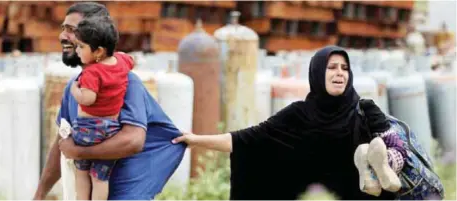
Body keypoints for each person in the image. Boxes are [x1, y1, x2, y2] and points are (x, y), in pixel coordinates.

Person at [172, 46, 409, 200]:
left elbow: (397, 143)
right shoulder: (298, 115)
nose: (340, 73)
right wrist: (196, 139)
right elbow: (246, 140)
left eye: (345, 68)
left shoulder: (365, 109)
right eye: (332, 67)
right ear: (317, 72)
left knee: (390, 148)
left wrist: (389, 156)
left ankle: (379, 168)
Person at [33, 2, 186, 200]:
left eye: (72, 30)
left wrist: (79, 152)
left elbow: (133, 140)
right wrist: (39, 195)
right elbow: (62, 142)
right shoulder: (74, 86)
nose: (63, 36)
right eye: (63, 29)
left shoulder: (126, 82)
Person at [69, 16, 133, 200]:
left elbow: (88, 99)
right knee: (99, 178)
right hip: (111, 131)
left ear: (98, 52)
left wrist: (75, 90)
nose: (77, 50)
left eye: (81, 46)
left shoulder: (92, 72)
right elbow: (131, 60)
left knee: (81, 171)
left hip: (88, 130)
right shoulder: (122, 61)